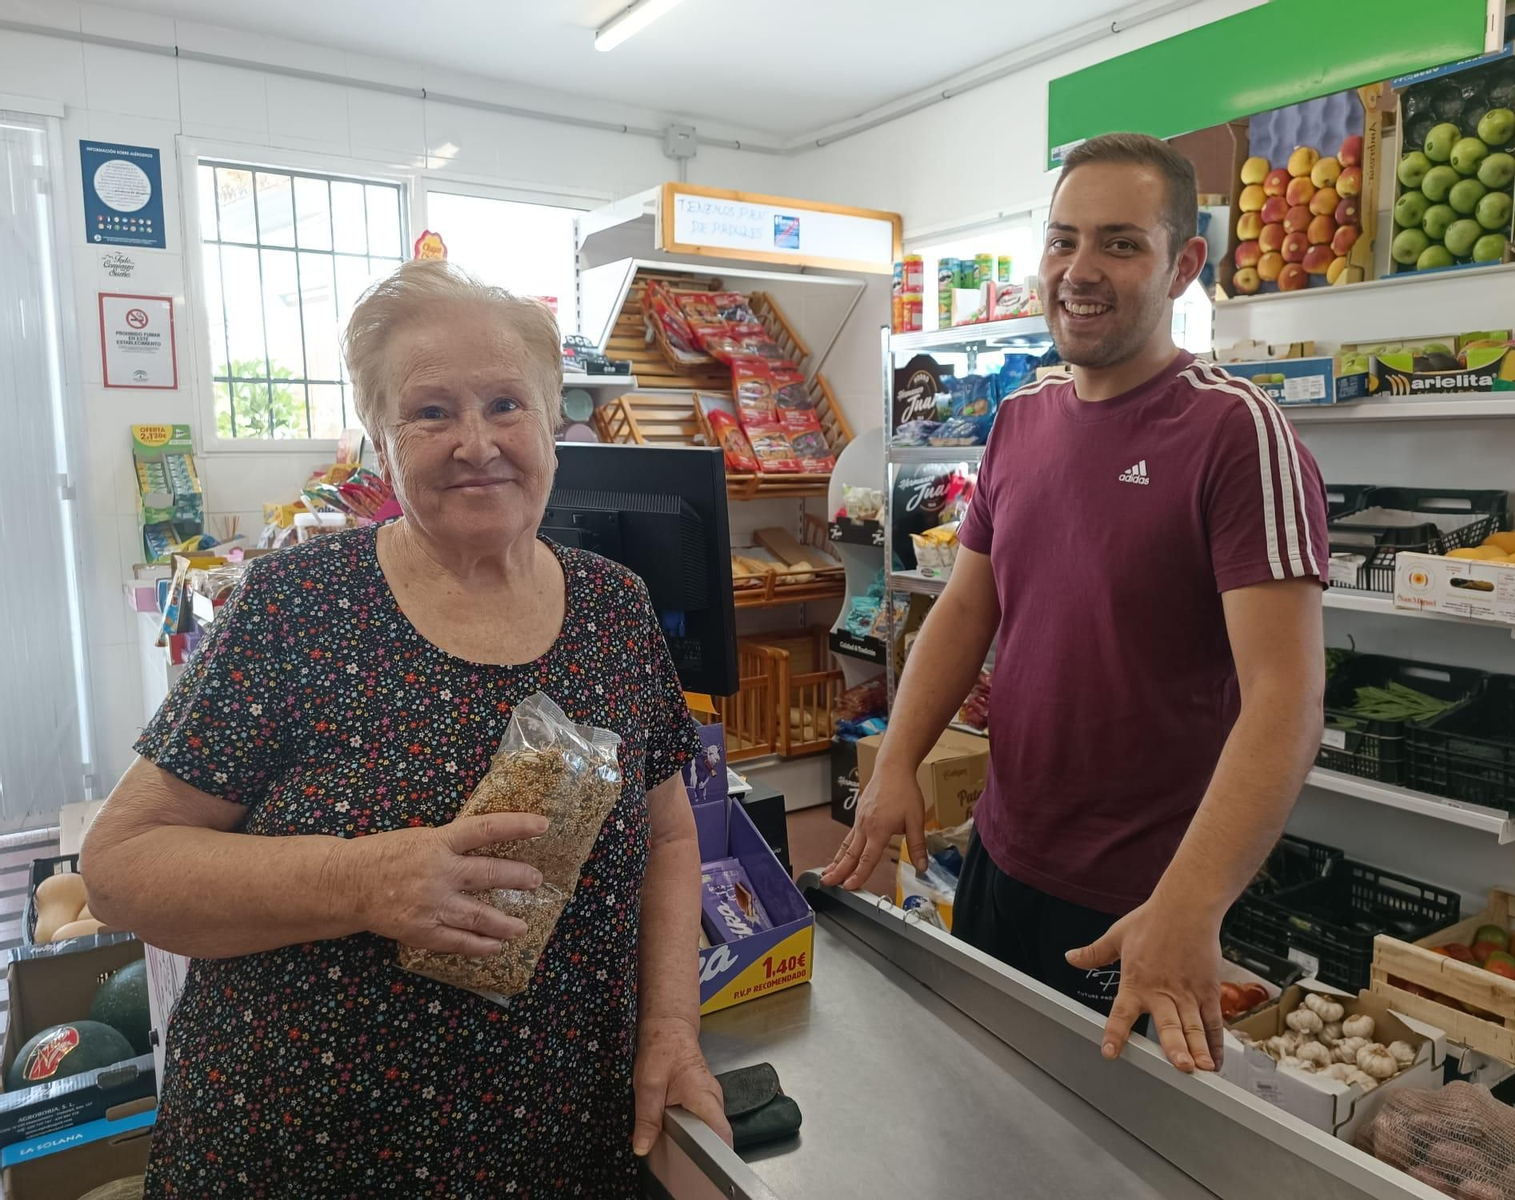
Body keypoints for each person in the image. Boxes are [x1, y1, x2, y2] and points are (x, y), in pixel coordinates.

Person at [81, 260, 730, 1196]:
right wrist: (365, 879)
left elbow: (669, 835)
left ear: (554, 425)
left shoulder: (614, 609)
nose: (478, 443)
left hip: (558, 1141)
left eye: (508, 403)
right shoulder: (296, 607)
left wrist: (670, 1027)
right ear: (380, 441)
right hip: (307, 1149)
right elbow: (120, 869)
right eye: (431, 412)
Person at [824, 132, 1328, 1076]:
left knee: (1110, 1158)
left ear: (1184, 266)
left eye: (1119, 243)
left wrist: (1191, 904)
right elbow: (965, 614)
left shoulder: (1235, 433)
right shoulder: (1022, 417)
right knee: (979, 1104)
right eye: (1062, 241)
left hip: (1142, 899)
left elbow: (1288, 699)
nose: (1079, 271)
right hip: (1003, 857)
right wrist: (897, 762)